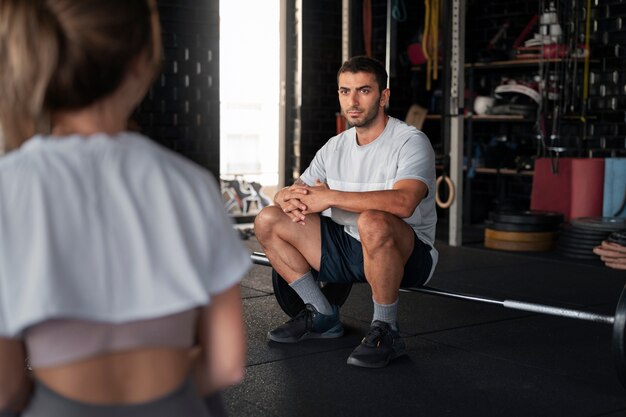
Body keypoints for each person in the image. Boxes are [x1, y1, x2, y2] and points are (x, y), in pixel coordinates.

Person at [0, 1, 250, 416]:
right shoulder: (191, 184)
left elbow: (6, 391)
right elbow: (226, 365)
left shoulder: (8, 186)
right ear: (142, 61)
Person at [254, 55, 438, 368]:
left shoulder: (410, 141)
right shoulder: (334, 146)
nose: (351, 101)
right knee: (269, 219)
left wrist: (330, 197)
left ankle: (386, 329)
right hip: (346, 248)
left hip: (406, 255)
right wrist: (286, 195)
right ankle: (322, 313)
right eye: (344, 91)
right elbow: (301, 192)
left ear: (384, 96)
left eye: (363, 91)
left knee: (374, 221)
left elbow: (404, 203)